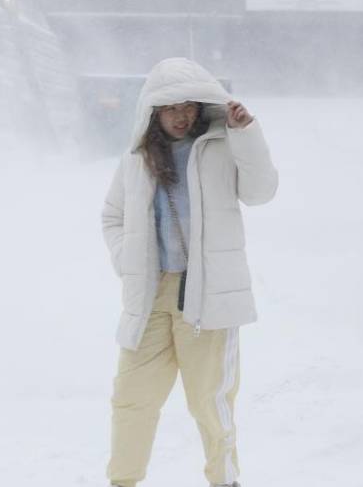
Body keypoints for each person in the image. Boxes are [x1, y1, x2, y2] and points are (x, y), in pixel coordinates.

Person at [101, 57, 278, 487]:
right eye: (170, 108)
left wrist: (246, 134)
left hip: (208, 296)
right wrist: (129, 261)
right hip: (151, 297)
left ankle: (225, 480)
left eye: (188, 106)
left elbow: (261, 192)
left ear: (201, 106)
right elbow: (113, 216)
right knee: (131, 399)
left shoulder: (221, 145)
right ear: (154, 111)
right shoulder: (138, 158)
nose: (180, 116)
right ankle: (122, 482)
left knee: (209, 402)